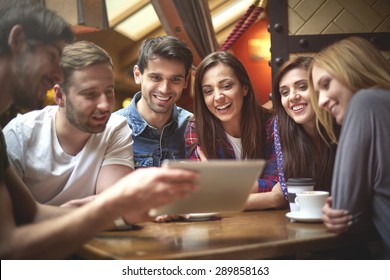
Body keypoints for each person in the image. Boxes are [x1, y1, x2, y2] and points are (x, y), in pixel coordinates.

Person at [0, 0, 198, 259]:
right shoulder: (17, 132)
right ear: (17, 41)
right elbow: (7, 248)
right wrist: (118, 203)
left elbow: (33, 213)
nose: (55, 73)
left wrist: (111, 204)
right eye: (51, 57)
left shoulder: (119, 127)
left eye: (109, 92)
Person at [3, 40, 134, 207]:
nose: (105, 105)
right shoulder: (19, 134)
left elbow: (114, 206)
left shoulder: (115, 127)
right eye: (90, 94)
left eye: (109, 92)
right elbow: (9, 218)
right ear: (59, 96)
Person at [308, 36, 390, 258]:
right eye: (318, 94)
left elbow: (346, 215)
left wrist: (336, 212)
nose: (322, 101)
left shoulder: (366, 102)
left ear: (354, 68)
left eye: (326, 85)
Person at [186, 51, 283, 210]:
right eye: (208, 91)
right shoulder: (196, 128)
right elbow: (199, 192)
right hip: (218, 228)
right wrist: (269, 197)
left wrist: (219, 186)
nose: (218, 97)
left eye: (226, 86)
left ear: (244, 88)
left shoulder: (273, 125)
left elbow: (279, 187)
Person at [115, 36, 193, 168]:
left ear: (185, 81)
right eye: (156, 77)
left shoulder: (193, 126)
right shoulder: (113, 128)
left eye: (175, 79)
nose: (164, 89)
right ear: (138, 75)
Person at [272, 56, 338, 201]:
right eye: (285, 92)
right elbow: (287, 192)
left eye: (302, 87)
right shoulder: (280, 127)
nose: (292, 97)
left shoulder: (342, 124)